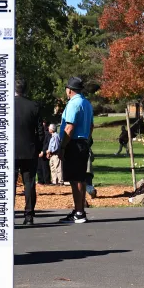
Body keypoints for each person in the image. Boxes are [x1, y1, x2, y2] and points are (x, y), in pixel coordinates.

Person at [50, 77, 93, 223]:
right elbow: (91, 125)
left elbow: (69, 127)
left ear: (69, 90)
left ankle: (79, 212)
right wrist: (87, 139)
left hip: (74, 143)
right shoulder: (86, 103)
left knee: (76, 180)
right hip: (83, 142)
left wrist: (62, 146)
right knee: (78, 177)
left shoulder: (74, 104)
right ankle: (79, 210)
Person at [14, 78, 44, 225]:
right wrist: (38, 147)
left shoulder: (6, 106)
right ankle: (29, 215)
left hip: (10, 150)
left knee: (9, 184)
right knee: (29, 183)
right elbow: (40, 131)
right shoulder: (33, 106)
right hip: (29, 149)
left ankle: (7, 214)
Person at [37, 120, 51, 185]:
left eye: (43, 125)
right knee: (39, 168)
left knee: (45, 168)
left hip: (44, 153)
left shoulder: (47, 134)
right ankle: (40, 181)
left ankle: (47, 181)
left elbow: (48, 144)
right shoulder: (37, 134)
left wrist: (43, 151)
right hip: (38, 153)